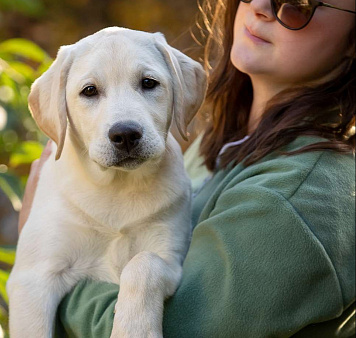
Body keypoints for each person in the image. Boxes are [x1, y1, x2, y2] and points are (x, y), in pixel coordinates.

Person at [18, 0, 356, 336]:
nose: (260, 6)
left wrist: (42, 258)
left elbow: (180, 328)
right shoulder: (214, 148)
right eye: (90, 91)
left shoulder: (295, 199)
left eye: (299, 2)